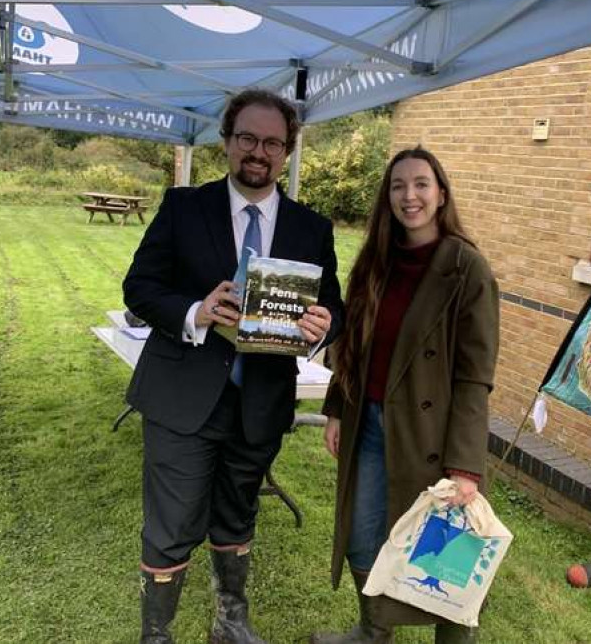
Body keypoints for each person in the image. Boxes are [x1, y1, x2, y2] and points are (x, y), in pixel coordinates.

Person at [123, 89, 344, 644]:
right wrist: (195, 310)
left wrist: (326, 326)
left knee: (237, 513)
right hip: (181, 396)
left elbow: (334, 305)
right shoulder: (183, 207)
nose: (258, 152)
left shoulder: (311, 227)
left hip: (261, 401)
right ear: (227, 140)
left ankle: (231, 622)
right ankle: (158, 634)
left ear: (287, 152)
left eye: (272, 142)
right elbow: (140, 287)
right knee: (171, 525)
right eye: (248, 138)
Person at [312, 147, 499, 644]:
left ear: (441, 195)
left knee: (446, 557)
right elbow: (353, 346)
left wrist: (465, 464)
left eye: (420, 184)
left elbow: (474, 375)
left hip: (431, 434)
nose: (409, 195)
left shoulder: (467, 268)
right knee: (361, 537)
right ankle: (373, 632)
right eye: (398, 186)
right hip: (368, 424)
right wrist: (335, 409)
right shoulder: (377, 260)